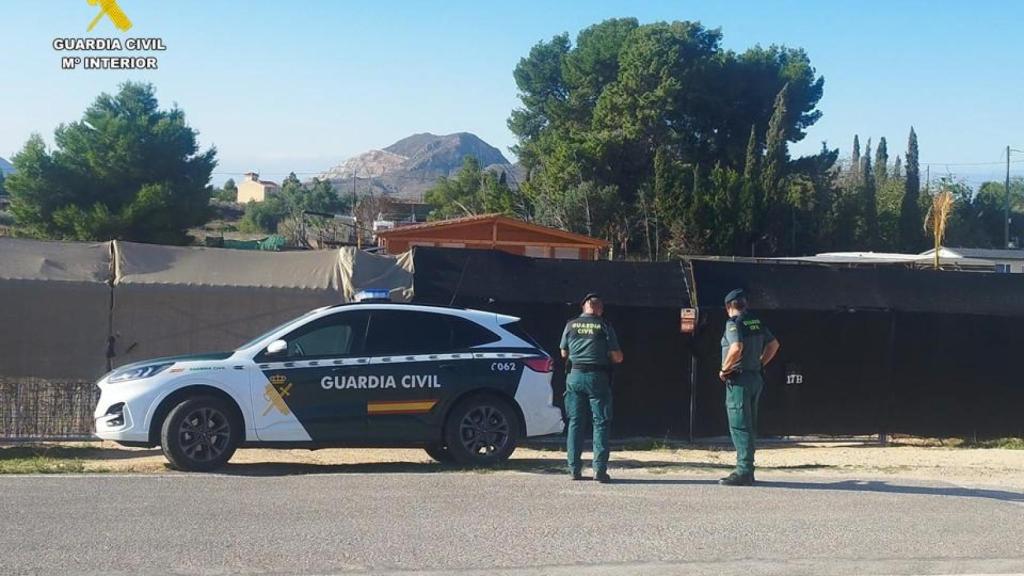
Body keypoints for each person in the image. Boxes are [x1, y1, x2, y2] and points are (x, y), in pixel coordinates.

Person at [560, 293, 624, 483]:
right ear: (599, 309)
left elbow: (563, 352)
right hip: (597, 378)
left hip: (574, 377)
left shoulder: (570, 324)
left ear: (583, 307)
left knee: (575, 423)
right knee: (601, 422)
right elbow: (618, 357)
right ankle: (599, 471)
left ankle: (573, 469)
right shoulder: (604, 325)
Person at [719, 289, 780, 486]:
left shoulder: (733, 323)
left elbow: (736, 348)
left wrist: (724, 368)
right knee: (750, 424)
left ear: (729, 306)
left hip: (738, 380)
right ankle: (748, 469)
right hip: (755, 377)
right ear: (745, 304)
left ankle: (743, 470)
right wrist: (761, 362)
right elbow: (774, 345)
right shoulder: (756, 322)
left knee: (739, 425)